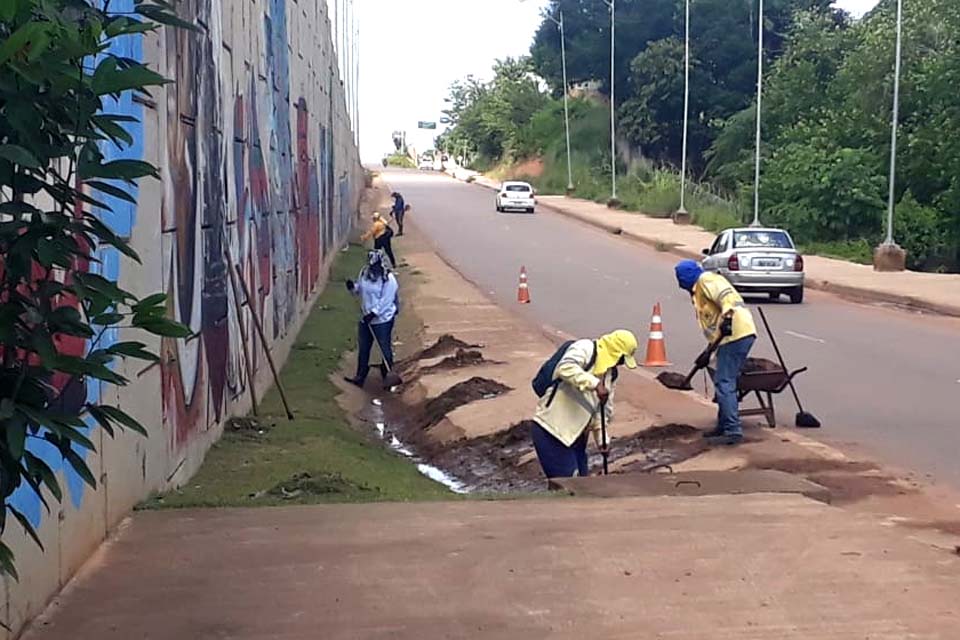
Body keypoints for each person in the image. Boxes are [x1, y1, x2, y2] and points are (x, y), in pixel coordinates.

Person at [531, 330, 639, 478]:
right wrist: (594, 384)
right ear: (615, 352)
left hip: (576, 438)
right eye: (621, 359)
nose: (620, 364)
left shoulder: (610, 375)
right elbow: (566, 368)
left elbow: (602, 412)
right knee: (569, 485)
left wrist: (603, 441)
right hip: (551, 431)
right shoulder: (585, 348)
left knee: (582, 485)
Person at [674, 260, 757, 445]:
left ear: (685, 278)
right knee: (722, 378)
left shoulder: (706, 280)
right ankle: (724, 424)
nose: (679, 283)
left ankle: (732, 430)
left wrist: (728, 317)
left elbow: (726, 296)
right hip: (726, 338)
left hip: (735, 333)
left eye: (679, 278)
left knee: (724, 381)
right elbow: (712, 324)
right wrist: (708, 352)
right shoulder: (697, 292)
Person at [344, 250, 400, 389]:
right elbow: (361, 290)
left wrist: (374, 313)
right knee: (364, 348)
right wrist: (353, 287)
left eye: (375, 267)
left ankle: (387, 377)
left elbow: (386, 300)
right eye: (370, 266)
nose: (372, 269)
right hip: (366, 318)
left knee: (384, 347)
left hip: (382, 320)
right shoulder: (365, 273)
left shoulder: (389, 279)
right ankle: (360, 376)